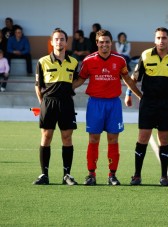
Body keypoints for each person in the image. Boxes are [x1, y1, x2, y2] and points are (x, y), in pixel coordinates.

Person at [72, 29, 142, 186]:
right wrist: (65, 91)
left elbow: (128, 80)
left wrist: (140, 96)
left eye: (107, 42)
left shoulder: (120, 60)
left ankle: (112, 175)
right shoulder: (88, 61)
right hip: (95, 104)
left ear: (111, 43)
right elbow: (79, 80)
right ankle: (91, 174)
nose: (104, 44)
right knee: (93, 139)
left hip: (113, 104)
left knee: (113, 139)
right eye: (101, 42)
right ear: (97, 43)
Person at [125, 27, 168, 186]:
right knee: (143, 137)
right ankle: (137, 175)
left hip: (167, 102)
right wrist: (129, 94)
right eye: (158, 38)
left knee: (164, 139)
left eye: (164, 38)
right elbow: (134, 77)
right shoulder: (145, 55)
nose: (161, 41)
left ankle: (164, 176)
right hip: (149, 102)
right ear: (154, 40)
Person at [32, 28, 79, 185]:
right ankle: (44, 174)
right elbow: (38, 86)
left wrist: (69, 89)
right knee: (46, 136)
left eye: (62, 39)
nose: (59, 42)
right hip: (48, 103)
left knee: (67, 137)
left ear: (66, 42)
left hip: (66, 103)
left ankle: (67, 175)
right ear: (52, 42)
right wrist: (43, 103)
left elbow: (79, 80)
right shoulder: (42, 62)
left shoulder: (73, 62)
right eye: (56, 39)